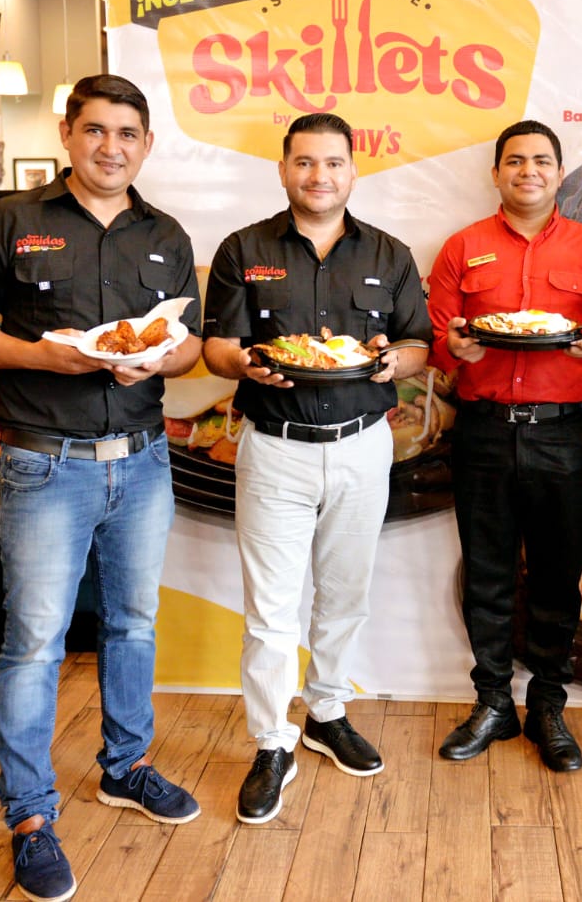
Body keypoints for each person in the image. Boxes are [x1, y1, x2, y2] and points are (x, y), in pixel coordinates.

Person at [0, 74, 204, 902]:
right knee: (35, 642)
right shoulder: (9, 221)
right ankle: (29, 814)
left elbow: (188, 344)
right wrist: (41, 355)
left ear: (146, 144)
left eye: (127, 134)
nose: (110, 147)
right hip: (44, 462)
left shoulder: (165, 233)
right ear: (67, 133)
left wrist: (160, 358)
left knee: (133, 623)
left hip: (144, 459)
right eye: (95, 130)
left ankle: (126, 765)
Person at [202, 112, 430, 825]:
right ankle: (272, 741)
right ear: (283, 170)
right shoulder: (243, 248)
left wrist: (395, 360)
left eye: (333, 162)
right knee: (271, 611)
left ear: (353, 170)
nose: (319, 175)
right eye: (304, 162)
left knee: (345, 593)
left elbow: (419, 343)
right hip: (274, 446)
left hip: (363, 445)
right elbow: (216, 346)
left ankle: (327, 712)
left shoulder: (390, 253)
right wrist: (244, 362)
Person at [427, 120, 582, 772]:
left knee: (555, 576)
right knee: (487, 574)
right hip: (483, 430)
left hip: (561, 433)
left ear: (559, 172)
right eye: (515, 161)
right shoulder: (462, 247)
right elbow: (436, 342)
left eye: (542, 161)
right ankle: (492, 702)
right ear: (496, 173)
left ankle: (548, 704)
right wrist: (454, 349)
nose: (529, 171)